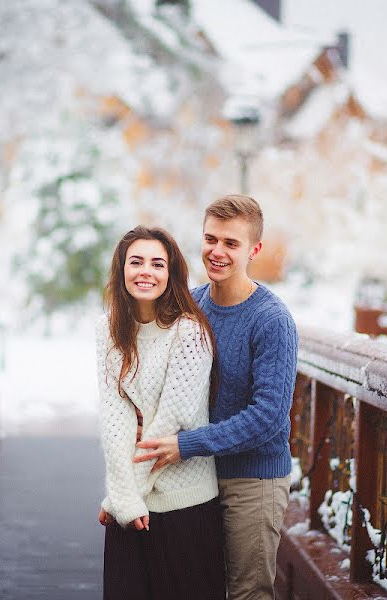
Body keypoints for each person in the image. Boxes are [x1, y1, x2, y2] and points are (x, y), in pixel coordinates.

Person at [134, 195, 298, 600]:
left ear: (254, 250)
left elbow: (268, 417)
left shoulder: (272, 320)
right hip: (195, 477)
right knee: (195, 587)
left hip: (252, 479)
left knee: (247, 594)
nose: (217, 252)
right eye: (210, 239)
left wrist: (188, 445)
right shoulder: (189, 305)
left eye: (231, 243)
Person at [96, 225, 226, 600]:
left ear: (171, 275)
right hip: (130, 500)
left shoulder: (190, 331)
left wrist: (122, 497)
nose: (145, 272)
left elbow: (174, 417)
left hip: (183, 502)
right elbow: (114, 415)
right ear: (121, 269)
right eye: (136, 262)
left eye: (157, 264)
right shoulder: (107, 329)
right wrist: (124, 498)